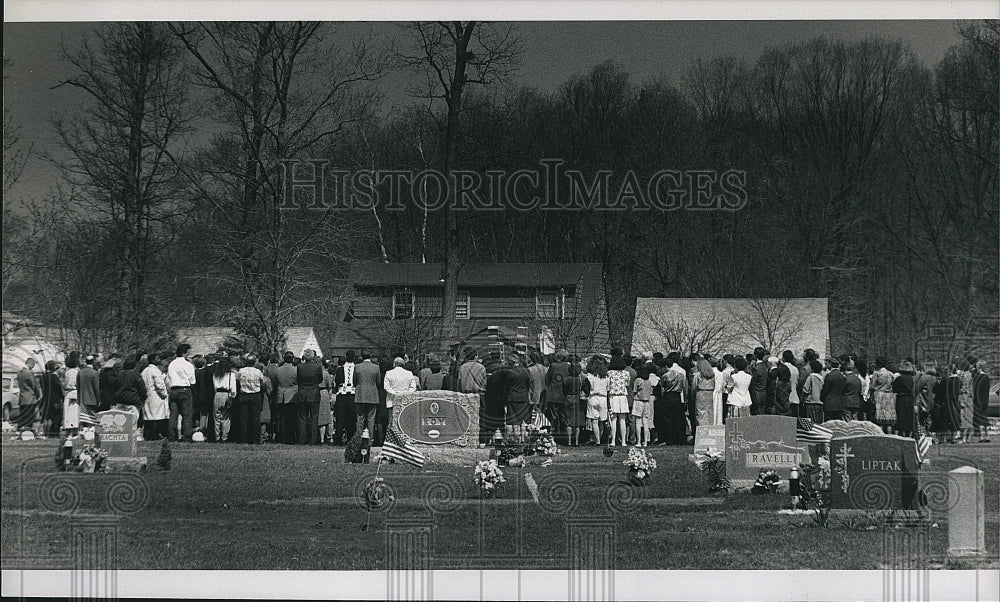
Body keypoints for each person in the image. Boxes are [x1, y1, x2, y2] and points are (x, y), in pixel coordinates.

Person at [167, 344, 197, 442]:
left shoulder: (172, 364)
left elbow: (169, 378)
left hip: (173, 389)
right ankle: (187, 436)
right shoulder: (187, 364)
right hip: (184, 389)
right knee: (187, 414)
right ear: (185, 353)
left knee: (173, 414)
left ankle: (171, 436)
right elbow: (192, 380)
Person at [234, 354, 266, 444]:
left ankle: (243, 438)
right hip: (255, 395)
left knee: (243, 418)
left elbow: (238, 381)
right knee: (255, 418)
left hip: (244, 395)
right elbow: (262, 382)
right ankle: (255, 438)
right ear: (255, 362)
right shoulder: (258, 372)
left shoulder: (241, 371)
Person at [656, 356, 688, 445]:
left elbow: (662, 388)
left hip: (668, 396)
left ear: (666, 366)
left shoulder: (665, 376)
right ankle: (679, 438)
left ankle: (669, 438)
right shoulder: (681, 375)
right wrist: (685, 399)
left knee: (667, 418)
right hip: (677, 396)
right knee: (677, 418)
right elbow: (684, 387)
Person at [543, 350, 572, 445]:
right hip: (565, 394)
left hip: (554, 395)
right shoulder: (569, 366)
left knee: (554, 417)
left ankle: (554, 438)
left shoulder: (553, 366)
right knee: (564, 418)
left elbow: (547, 378)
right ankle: (565, 439)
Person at [296, 349, 323, 445]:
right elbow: (320, 379)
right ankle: (313, 439)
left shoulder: (299, 367)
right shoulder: (317, 367)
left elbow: (298, 379)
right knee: (314, 418)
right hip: (314, 394)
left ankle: (302, 439)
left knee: (302, 418)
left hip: (303, 394)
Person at [141, 353, 169, 441]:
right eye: (157, 358)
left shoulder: (144, 371)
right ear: (152, 360)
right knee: (156, 416)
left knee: (149, 416)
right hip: (156, 396)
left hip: (147, 395)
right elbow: (159, 385)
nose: (159, 360)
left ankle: (148, 434)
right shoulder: (155, 371)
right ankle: (155, 435)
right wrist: (164, 394)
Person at [353, 350, 381, 438]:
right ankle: (370, 439)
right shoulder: (376, 367)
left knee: (360, 418)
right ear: (371, 356)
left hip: (360, 394)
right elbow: (378, 382)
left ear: (361, 356)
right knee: (371, 419)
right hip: (373, 395)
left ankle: (358, 438)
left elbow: (354, 381)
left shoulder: (357, 367)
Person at [583, 355, 609, 446]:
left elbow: (586, 389)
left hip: (593, 397)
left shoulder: (590, 377)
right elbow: (608, 389)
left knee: (594, 421)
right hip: (603, 398)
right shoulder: (606, 377)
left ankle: (597, 440)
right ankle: (600, 439)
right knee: (602, 421)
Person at [606, 356, 631, 447]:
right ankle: (623, 441)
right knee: (622, 420)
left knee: (613, 419)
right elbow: (627, 384)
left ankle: (613, 440)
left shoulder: (610, 373)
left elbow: (608, 385)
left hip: (613, 397)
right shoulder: (626, 373)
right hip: (623, 397)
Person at [333, 351, 357, 445]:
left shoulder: (340, 369)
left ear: (346, 357)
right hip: (352, 394)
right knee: (351, 417)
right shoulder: (356, 368)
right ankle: (350, 438)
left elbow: (337, 381)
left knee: (340, 417)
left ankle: (338, 439)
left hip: (342, 394)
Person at [211, 356, 237, 442]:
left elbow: (214, 387)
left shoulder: (215, 375)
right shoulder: (231, 375)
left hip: (217, 394)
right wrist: (232, 397)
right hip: (226, 394)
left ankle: (217, 437)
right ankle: (224, 437)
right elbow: (233, 389)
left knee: (216, 417)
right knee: (226, 418)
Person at [275, 352, 298, 443]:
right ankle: (290, 438)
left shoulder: (278, 370)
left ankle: (280, 437)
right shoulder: (295, 370)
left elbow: (275, 382)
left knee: (281, 418)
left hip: (280, 395)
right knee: (291, 418)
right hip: (291, 395)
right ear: (292, 359)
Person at [892, 359, 917, 438]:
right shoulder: (912, 379)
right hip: (910, 399)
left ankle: (902, 435)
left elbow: (894, 388)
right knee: (909, 418)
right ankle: (909, 435)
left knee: (901, 417)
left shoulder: (899, 378)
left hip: (901, 398)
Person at [631, 365, 655, 446]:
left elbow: (634, 391)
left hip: (638, 401)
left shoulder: (638, 380)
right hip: (647, 402)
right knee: (645, 422)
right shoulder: (649, 382)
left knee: (638, 422)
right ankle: (645, 441)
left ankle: (638, 441)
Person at [690, 356, 716, 428]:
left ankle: (701, 431)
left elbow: (694, 387)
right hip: (709, 394)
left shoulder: (698, 375)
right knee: (709, 413)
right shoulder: (712, 375)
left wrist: (693, 396)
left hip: (700, 394)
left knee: (700, 414)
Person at [16, 358, 41, 433]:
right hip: (30, 396)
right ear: (31, 364)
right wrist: (38, 394)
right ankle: (28, 430)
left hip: (22, 397)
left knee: (22, 414)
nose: (32, 367)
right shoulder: (29, 373)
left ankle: (20, 430)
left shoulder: (19, 372)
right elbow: (34, 385)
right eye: (33, 365)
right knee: (30, 415)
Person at [820, 358, 848, 422]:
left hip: (829, 404)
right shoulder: (842, 376)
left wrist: (822, 398)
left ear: (830, 364)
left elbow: (825, 390)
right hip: (839, 404)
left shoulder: (830, 376)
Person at [726, 356, 753, 420]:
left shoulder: (733, 377)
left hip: (735, 401)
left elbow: (729, 389)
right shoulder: (749, 377)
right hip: (746, 401)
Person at [956, 359, 975, 444]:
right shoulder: (970, 374)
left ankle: (964, 438)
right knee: (969, 418)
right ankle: (968, 438)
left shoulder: (964, 375)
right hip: (970, 398)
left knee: (964, 418)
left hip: (965, 397)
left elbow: (964, 387)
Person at [972, 361, 991, 443]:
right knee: (985, 418)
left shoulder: (977, 377)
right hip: (985, 400)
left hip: (977, 400)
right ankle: (987, 436)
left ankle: (982, 436)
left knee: (980, 420)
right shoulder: (986, 377)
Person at [62, 353, 80, 434]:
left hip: (69, 392)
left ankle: (68, 428)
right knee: (74, 412)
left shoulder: (68, 372)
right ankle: (74, 428)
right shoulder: (77, 372)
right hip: (76, 391)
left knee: (68, 412)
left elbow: (65, 384)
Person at [841, 355, 862, 422]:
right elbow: (860, 391)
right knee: (855, 418)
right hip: (856, 401)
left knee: (847, 419)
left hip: (846, 401)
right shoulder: (858, 379)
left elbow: (842, 389)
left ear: (846, 370)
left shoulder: (845, 379)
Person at [319, 360, 335, 444]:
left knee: (320, 417)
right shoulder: (325, 373)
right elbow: (330, 386)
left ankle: (321, 438)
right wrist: (330, 397)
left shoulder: (315, 373)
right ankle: (328, 437)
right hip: (324, 393)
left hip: (315, 392)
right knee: (326, 416)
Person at [749, 347, 769, 415]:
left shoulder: (756, 368)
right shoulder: (765, 367)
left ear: (755, 355)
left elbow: (753, 383)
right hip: (764, 393)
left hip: (756, 394)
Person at [781, 350, 800, 418]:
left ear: (783, 358)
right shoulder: (795, 369)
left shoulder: (782, 368)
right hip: (795, 397)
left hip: (785, 399)